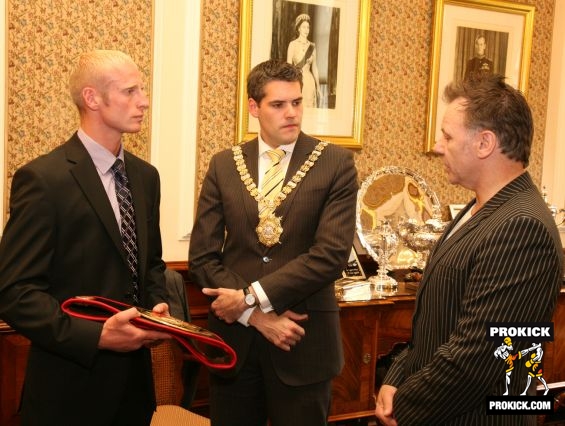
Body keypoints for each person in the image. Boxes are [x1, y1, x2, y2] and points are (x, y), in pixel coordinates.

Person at [375, 74, 563, 425]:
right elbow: (434, 323)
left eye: (447, 135)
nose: (437, 146)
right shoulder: (478, 207)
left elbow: (475, 359)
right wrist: (395, 378)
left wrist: (403, 407)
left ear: (484, 143)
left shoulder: (523, 228)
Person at [0, 50, 172, 426]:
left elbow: (152, 263)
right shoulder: (43, 180)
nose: (143, 101)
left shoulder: (146, 177)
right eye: (130, 91)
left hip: (135, 393)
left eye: (142, 89)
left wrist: (158, 309)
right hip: (69, 395)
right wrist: (95, 336)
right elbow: (15, 293)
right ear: (93, 98)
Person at [188, 59, 358, 426]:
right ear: (254, 107)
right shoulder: (224, 164)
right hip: (235, 342)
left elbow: (329, 256)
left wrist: (249, 298)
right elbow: (202, 258)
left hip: (303, 340)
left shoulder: (335, 164)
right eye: (278, 105)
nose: (291, 113)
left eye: (297, 102)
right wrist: (256, 316)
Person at [287, 13, 321, 108]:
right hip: (297, 82)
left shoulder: (312, 46)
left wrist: (318, 86)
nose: (306, 30)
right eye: (303, 27)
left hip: (309, 83)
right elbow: (289, 67)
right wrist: (289, 84)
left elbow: (315, 68)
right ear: (299, 28)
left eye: (308, 27)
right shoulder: (292, 45)